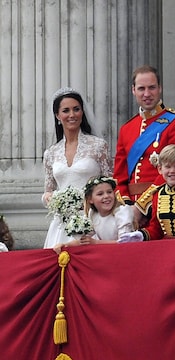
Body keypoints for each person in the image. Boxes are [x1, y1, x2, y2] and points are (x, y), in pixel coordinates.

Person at [113, 65, 175, 205]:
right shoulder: (126, 128)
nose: (147, 94)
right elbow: (119, 175)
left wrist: (142, 206)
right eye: (141, 88)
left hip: (163, 202)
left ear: (160, 88)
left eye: (151, 87)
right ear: (133, 90)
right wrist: (126, 205)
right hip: (129, 207)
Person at [42, 87, 113, 249]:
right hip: (61, 223)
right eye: (66, 110)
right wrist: (53, 199)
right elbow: (48, 190)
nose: (72, 115)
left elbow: (111, 183)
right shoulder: (51, 153)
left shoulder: (98, 146)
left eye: (76, 109)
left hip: (92, 219)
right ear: (58, 116)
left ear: (82, 112)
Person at [52, 176, 136, 253]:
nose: (106, 196)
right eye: (100, 194)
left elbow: (125, 243)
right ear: (90, 199)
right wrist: (66, 245)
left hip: (124, 254)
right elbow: (84, 240)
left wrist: (96, 243)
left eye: (109, 192)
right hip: (107, 254)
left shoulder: (122, 212)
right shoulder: (93, 214)